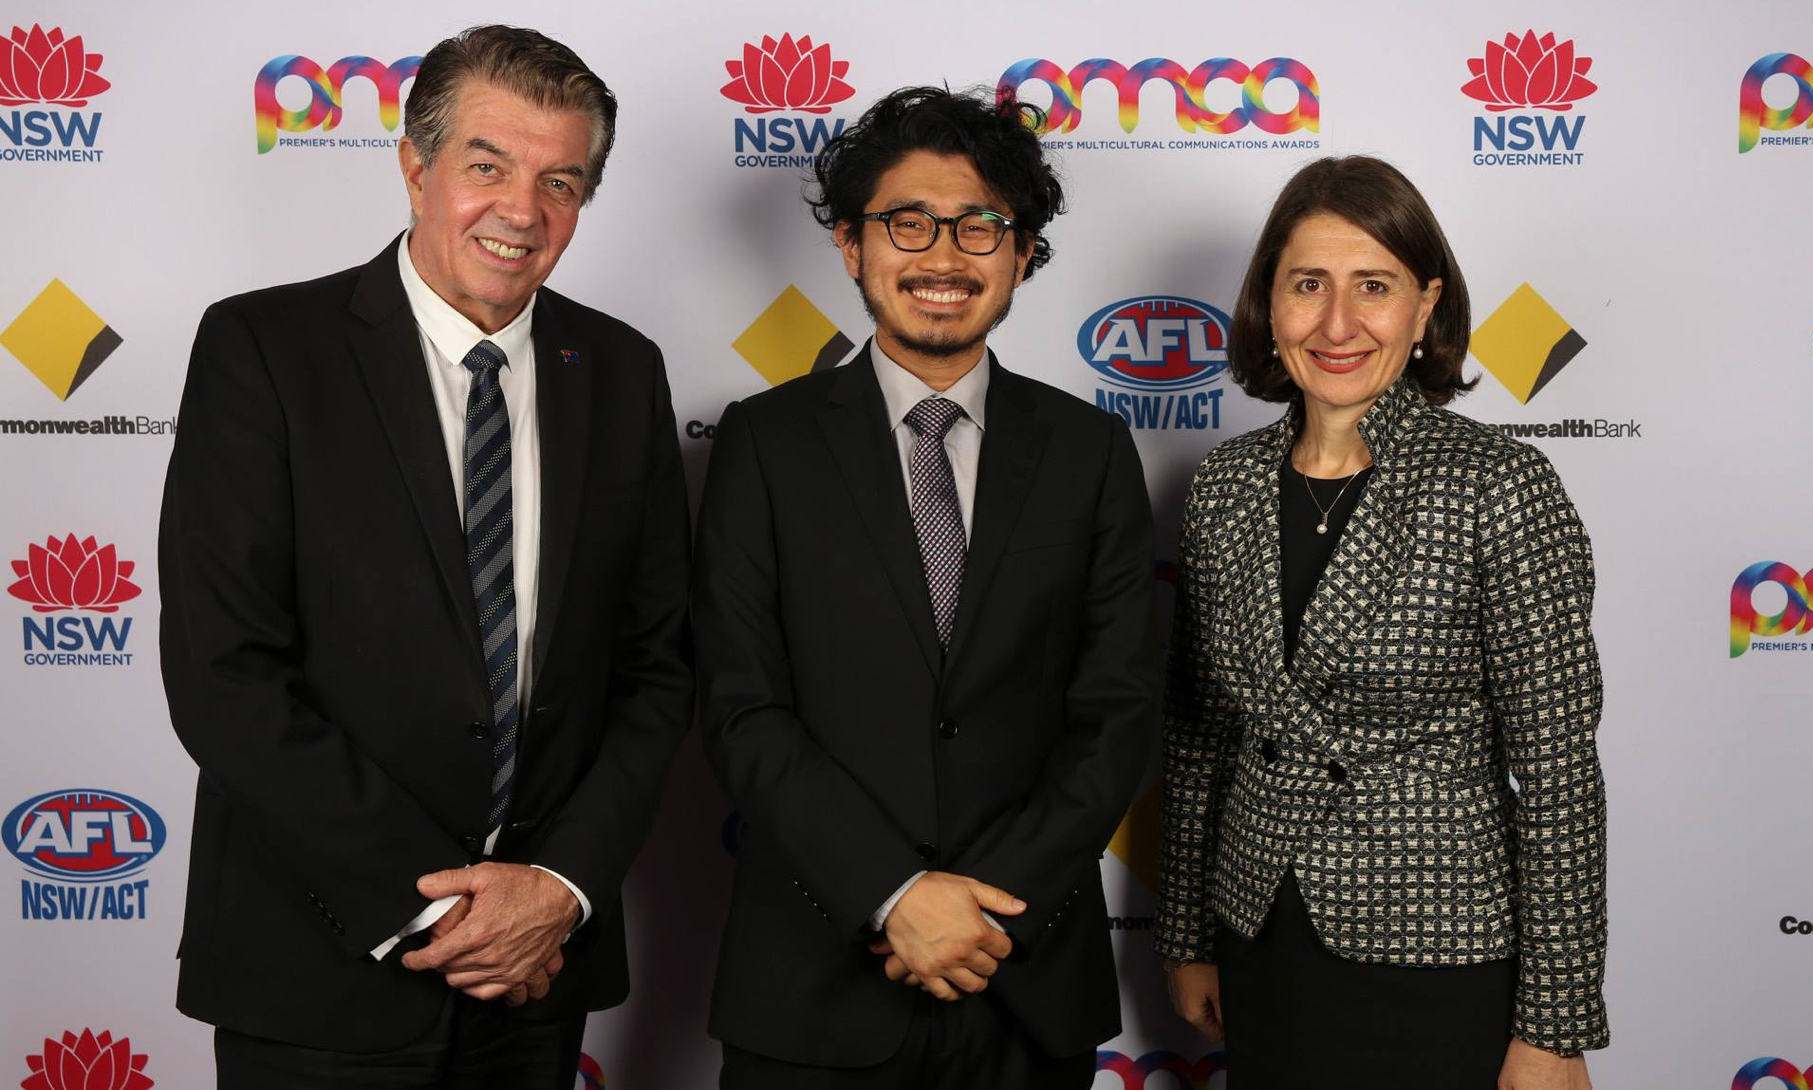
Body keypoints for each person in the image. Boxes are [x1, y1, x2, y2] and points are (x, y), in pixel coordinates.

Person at [157, 25, 692, 1089]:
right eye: (486, 166)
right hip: (318, 967)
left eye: (559, 182)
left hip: (536, 969)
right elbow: (225, 674)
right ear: (415, 166)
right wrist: (446, 911)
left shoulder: (621, 369)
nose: (521, 211)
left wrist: (555, 889)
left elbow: (656, 666)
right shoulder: (265, 349)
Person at [693, 86, 1161, 1088]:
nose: (943, 256)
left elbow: (1118, 711)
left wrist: (982, 906)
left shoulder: (1089, 450)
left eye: (979, 225)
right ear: (850, 245)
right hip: (815, 981)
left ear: (1021, 253)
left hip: (1022, 973)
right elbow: (741, 707)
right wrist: (894, 893)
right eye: (907, 222)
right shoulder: (764, 444)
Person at [1156, 156, 1606, 1090]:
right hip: (1259, 935)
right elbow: (1200, 737)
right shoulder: (1224, 485)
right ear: (1268, 301)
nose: (1337, 324)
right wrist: (1189, 934)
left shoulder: (1498, 486)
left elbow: (1558, 773)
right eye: (1307, 285)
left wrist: (1555, 1028)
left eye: (1374, 286)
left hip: (1437, 948)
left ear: (1425, 306)